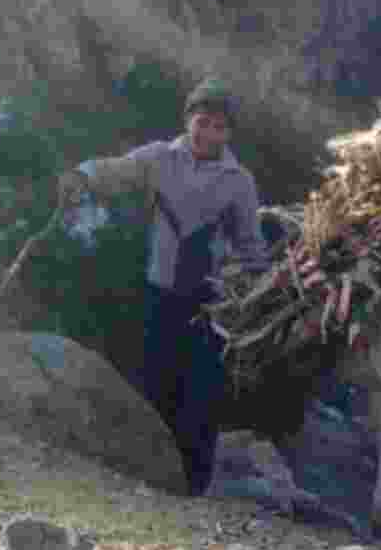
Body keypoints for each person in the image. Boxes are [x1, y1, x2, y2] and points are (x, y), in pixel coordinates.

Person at [57, 76, 269, 496]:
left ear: (229, 134)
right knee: (153, 380)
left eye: (219, 127)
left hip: (210, 303)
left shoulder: (238, 181)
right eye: (202, 122)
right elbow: (116, 171)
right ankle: (147, 473)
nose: (208, 133)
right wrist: (82, 177)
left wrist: (257, 283)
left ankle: (192, 485)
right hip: (159, 291)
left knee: (201, 391)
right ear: (188, 119)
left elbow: (250, 242)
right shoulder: (159, 159)